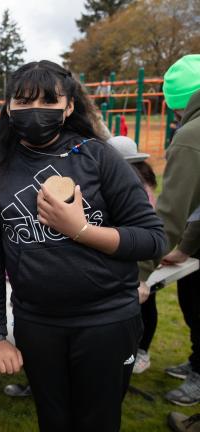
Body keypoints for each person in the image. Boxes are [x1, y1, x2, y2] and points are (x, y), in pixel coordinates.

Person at [0, 60, 166, 432]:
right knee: (53, 422)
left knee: (98, 422)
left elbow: (153, 238)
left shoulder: (99, 157)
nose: (34, 110)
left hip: (107, 322)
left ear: (69, 106)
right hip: (38, 325)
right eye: (22, 102)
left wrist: (81, 230)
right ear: (8, 107)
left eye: (47, 100)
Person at [138, 54, 200, 408]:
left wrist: (139, 273)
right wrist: (189, 247)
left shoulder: (191, 136)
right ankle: (197, 362)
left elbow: (170, 214)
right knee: (192, 301)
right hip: (196, 247)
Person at [108, 135, 158, 374]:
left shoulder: (136, 186)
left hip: (138, 260)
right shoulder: (137, 180)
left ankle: (140, 351)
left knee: (144, 305)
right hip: (126, 256)